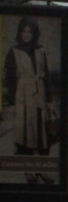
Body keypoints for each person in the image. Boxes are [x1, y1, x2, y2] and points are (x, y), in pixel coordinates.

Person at [2, 16, 55, 157]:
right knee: (24, 129)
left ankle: (40, 164)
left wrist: (50, 100)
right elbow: (10, 79)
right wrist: (11, 103)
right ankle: (27, 164)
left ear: (34, 33)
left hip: (39, 94)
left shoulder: (40, 50)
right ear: (19, 32)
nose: (26, 35)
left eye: (29, 32)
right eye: (24, 31)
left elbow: (47, 76)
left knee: (40, 126)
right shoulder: (14, 52)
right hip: (22, 94)